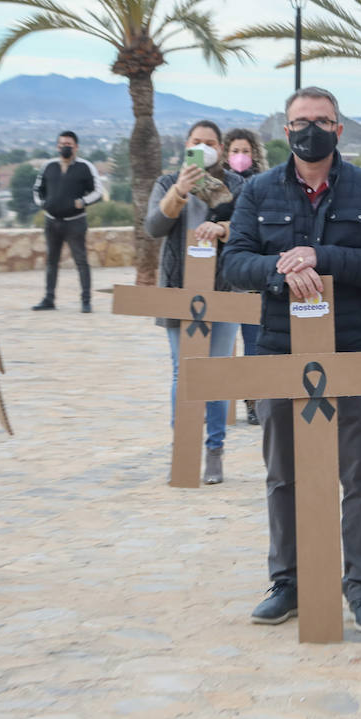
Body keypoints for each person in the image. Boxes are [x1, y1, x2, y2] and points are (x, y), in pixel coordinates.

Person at [222, 86, 361, 633]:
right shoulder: (257, 192)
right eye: (301, 121)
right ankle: (288, 582)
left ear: (339, 129)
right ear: (286, 129)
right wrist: (282, 270)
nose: (311, 130)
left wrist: (320, 258)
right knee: (283, 476)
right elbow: (234, 263)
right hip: (279, 351)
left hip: (355, 352)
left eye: (322, 121)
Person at [145, 120, 244, 484]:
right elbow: (153, 226)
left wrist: (224, 229)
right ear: (186, 145)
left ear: (220, 147)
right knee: (182, 371)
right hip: (177, 291)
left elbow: (249, 229)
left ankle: (215, 449)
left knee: (215, 374)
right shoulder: (168, 183)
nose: (204, 147)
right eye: (197, 142)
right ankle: (183, 445)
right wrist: (180, 192)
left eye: (211, 142)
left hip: (222, 291)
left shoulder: (235, 184)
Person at [224, 127, 269, 425]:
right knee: (223, 347)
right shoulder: (215, 186)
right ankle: (216, 401)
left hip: (254, 278)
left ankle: (255, 402)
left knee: (254, 344)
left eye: (245, 151)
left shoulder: (264, 186)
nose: (240, 157)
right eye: (234, 151)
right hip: (225, 279)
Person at [32, 130, 102, 313]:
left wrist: (83, 202)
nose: (65, 147)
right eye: (62, 144)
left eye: (69, 144)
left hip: (75, 222)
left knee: (81, 261)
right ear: (57, 146)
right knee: (51, 262)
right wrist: (43, 204)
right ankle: (49, 299)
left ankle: (86, 301)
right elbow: (37, 189)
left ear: (76, 147)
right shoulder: (48, 166)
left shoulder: (85, 167)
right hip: (52, 221)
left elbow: (98, 191)